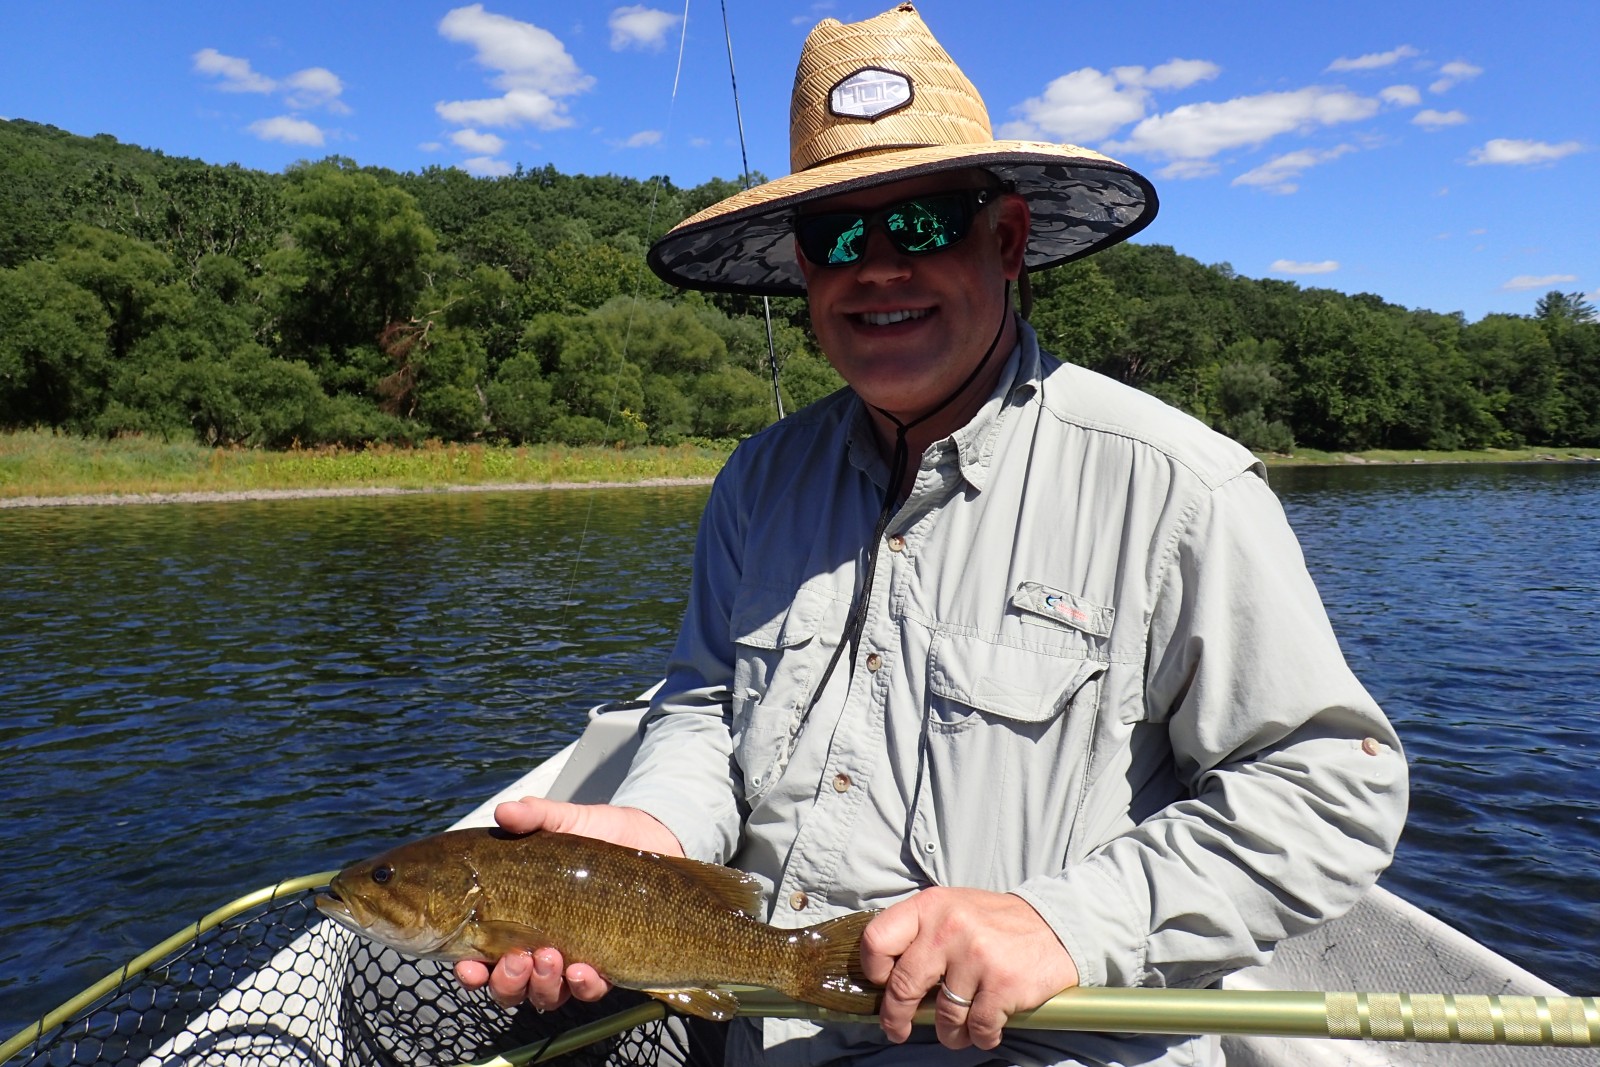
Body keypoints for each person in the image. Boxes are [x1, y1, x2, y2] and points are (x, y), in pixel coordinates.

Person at [457, 5, 1409, 1065]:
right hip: (773, 1030)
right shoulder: (756, 480)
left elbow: (1329, 786)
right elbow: (701, 710)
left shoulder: (1182, 487)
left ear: (1004, 241)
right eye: (836, 237)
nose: (874, 267)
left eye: (917, 224)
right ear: (806, 272)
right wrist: (659, 833)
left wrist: (1066, 921)